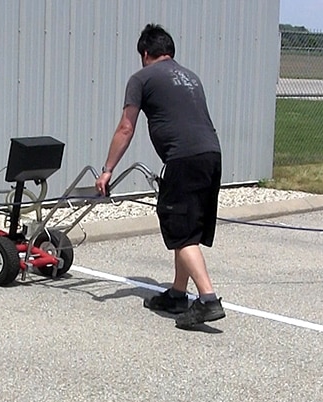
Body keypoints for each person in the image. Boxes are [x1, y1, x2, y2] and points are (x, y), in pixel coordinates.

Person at [95, 24, 225, 329]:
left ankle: (207, 300)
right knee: (188, 230)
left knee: (180, 230)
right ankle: (178, 295)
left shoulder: (141, 78)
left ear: (144, 53)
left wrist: (107, 170)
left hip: (183, 159)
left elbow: (126, 127)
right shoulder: (191, 77)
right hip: (211, 155)